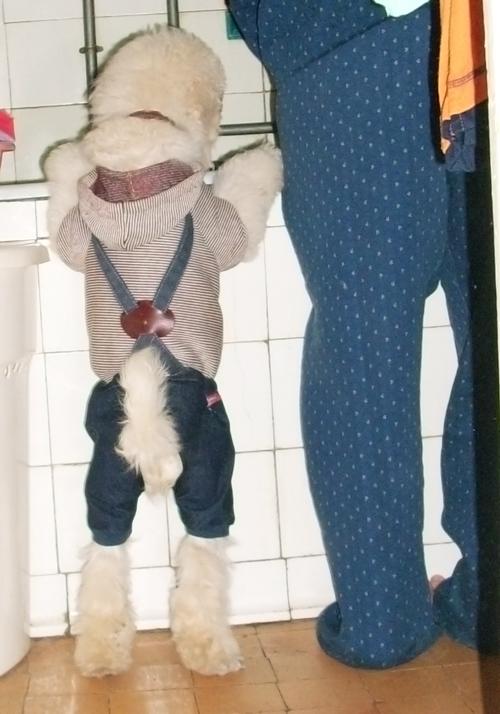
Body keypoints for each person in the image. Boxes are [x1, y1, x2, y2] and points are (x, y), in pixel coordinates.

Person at [230, 0, 499, 668]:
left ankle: (385, 622)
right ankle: (486, 603)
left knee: (364, 354)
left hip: (350, 47)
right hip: (470, 43)